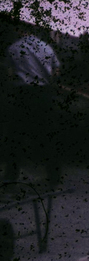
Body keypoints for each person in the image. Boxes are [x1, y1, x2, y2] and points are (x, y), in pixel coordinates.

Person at [2, 22, 61, 185]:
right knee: (48, 134)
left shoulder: (13, 48)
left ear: (19, 29)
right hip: (44, 93)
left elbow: (9, 74)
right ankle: (54, 176)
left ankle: (11, 176)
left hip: (24, 94)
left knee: (16, 137)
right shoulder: (46, 47)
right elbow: (56, 71)